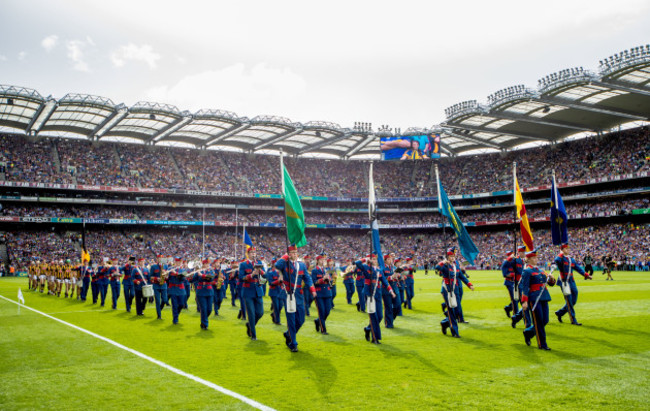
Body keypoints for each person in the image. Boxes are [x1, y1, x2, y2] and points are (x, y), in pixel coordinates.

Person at [275, 245, 317, 352]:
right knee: (291, 320)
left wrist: (313, 290)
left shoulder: (301, 265)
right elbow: (277, 265)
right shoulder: (284, 263)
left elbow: (307, 278)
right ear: (288, 254)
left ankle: (288, 334)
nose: (294, 254)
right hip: (287, 294)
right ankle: (293, 343)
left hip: (298, 295)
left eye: (295, 252)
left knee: (301, 319)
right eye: (292, 252)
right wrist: (285, 256)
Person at [356, 253, 396, 344]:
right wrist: (365, 260)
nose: (374, 261)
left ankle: (368, 328)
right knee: (373, 316)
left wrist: (391, 291)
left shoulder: (379, 270)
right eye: (373, 259)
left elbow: (385, 282)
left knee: (380, 316)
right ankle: (375, 338)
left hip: (377, 294)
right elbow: (357, 263)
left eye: (375, 259)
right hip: (369, 294)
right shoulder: (366, 267)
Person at [520, 249, 556, 350]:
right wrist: (525, 301)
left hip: (544, 296)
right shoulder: (527, 271)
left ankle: (528, 332)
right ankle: (542, 344)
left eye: (536, 257)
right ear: (529, 259)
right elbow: (525, 287)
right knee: (539, 321)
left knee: (545, 320)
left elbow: (550, 284)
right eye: (534, 258)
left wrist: (552, 279)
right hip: (534, 299)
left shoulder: (540, 270)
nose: (536, 259)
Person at [439, 249, 474, 338]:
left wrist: (469, 284)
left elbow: (461, 276)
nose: (452, 258)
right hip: (447, 290)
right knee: (451, 310)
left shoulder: (456, 266)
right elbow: (438, 269)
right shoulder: (445, 265)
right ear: (447, 257)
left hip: (455, 290)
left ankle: (445, 323)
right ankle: (455, 332)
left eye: (453, 256)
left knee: (457, 310)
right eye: (451, 256)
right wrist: (442, 262)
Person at [554, 243, 591, 325]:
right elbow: (556, 260)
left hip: (571, 281)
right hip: (564, 282)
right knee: (569, 301)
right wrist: (561, 254)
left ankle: (560, 312)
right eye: (566, 249)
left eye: (568, 248)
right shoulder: (560, 259)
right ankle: (573, 320)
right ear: (562, 250)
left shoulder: (571, 259)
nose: (568, 250)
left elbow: (578, 268)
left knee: (573, 300)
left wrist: (586, 275)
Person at [239, 249, 265, 340]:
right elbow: (241, 278)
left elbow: (265, 276)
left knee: (260, 312)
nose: (253, 254)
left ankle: (250, 324)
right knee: (251, 314)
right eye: (251, 253)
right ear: (248, 254)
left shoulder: (259, 263)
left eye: (254, 253)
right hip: (248, 291)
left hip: (258, 290)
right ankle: (253, 335)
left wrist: (260, 271)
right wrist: (251, 274)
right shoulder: (243, 264)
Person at [190, 259, 214, 329]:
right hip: (200, 292)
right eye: (206, 264)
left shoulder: (211, 271)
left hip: (209, 291)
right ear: (203, 264)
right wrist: (191, 275)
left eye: (208, 264)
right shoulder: (198, 271)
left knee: (209, 309)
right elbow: (192, 280)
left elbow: (211, 278)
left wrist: (202, 275)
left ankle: (203, 320)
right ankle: (204, 324)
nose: (207, 265)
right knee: (203, 308)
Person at [311, 255, 332, 335]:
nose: (323, 261)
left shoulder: (326, 270)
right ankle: (323, 330)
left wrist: (329, 278)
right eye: (321, 259)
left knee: (327, 311)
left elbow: (331, 280)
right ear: (317, 261)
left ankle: (317, 321)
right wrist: (322, 279)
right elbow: (314, 282)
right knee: (321, 312)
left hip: (327, 292)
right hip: (319, 293)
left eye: (324, 259)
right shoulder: (314, 270)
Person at [148, 255, 168, 320]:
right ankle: (159, 315)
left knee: (165, 300)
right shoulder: (153, 266)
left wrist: (165, 275)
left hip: (163, 285)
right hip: (156, 285)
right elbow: (150, 276)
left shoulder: (165, 266)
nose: (160, 259)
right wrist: (157, 278)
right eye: (159, 258)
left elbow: (167, 276)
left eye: (161, 258)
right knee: (157, 301)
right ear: (157, 259)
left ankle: (159, 309)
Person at [266, 259, 286, 325]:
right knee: (276, 307)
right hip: (273, 291)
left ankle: (273, 314)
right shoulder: (270, 273)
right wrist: (278, 281)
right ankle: (277, 321)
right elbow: (270, 283)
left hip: (280, 291)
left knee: (281, 305)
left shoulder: (281, 273)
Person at [382, 254, 398, 328]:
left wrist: (396, 276)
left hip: (394, 288)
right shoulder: (383, 268)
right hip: (386, 289)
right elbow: (383, 278)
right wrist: (391, 277)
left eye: (391, 259)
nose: (390, 260)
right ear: (385, 260)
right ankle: (389, 323)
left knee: (397, 306)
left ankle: (390, 319)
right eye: (388, 259)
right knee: (388, 307)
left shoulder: (392, 267)